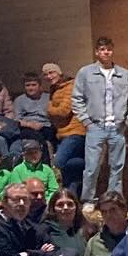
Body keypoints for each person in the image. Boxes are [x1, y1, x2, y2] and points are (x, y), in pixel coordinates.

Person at [72, 37, 128, 203]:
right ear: (96, 52)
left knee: (117, 167)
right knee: (92, 167)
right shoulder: (85, 73)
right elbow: (77, 98)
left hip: (118, 128)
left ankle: (113, 200)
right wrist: (86, 121)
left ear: (112, 51)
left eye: (109, 49)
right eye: (102, 49)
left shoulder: (124, 74)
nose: (106, 52)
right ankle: (87, 200)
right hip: (95, 126)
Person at [43, 62, 85, 191]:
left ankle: (52, 191)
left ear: (59, 73)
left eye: (52, 72)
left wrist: (49, 110)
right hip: (62, 133)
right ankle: (71, 195)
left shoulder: (70, 86)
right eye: (46, 74)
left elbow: (63, 111)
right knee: (70, 167)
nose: (49, 76)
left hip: (75, 132)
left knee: (58, 162)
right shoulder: (55, 88)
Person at [85, 190, 128, 256]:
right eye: (104, 212)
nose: (108, 215)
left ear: (124, 210)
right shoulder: (94, 243)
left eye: (113, 210)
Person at [11, 72, 53, 160]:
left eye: (34, 85)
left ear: (39, 85)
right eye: (28, 85)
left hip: (45, 126)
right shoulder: (19, 100)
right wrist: (29, 124)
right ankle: (45, 161)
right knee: (34, 136)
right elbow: (16, 120)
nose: (31, 88)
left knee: (45, 133)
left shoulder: (48, 97)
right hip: (27, 127)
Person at [42, 188, 87, 256]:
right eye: (60, 205)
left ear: (76, 207)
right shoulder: (45, 232)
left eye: (70, 204)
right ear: (53, 209)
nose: (66, 208)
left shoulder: (86, 230)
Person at [0, 80, 19, 163]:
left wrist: (5, 123)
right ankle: (5, 166)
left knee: (15, 137)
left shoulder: (1, 89)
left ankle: (13, 164)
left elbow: (8, 111)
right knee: (0, 140)